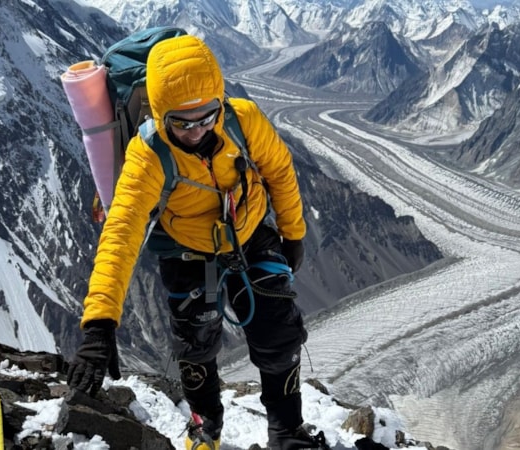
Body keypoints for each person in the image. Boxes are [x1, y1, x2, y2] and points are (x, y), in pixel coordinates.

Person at [66, 34, 326, 450]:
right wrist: (99, 325)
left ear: (219, 103)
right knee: (195, 345)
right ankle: (206, 428)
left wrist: (293, 232)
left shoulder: (242, 119)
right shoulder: (148, 155)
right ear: (160, 113)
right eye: (182, 123)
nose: (197, 130)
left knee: (278, 330)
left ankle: (286, 432)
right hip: (185, 248)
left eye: (206, 117)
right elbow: (121, 233)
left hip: (250, 230)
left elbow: (279, 169)